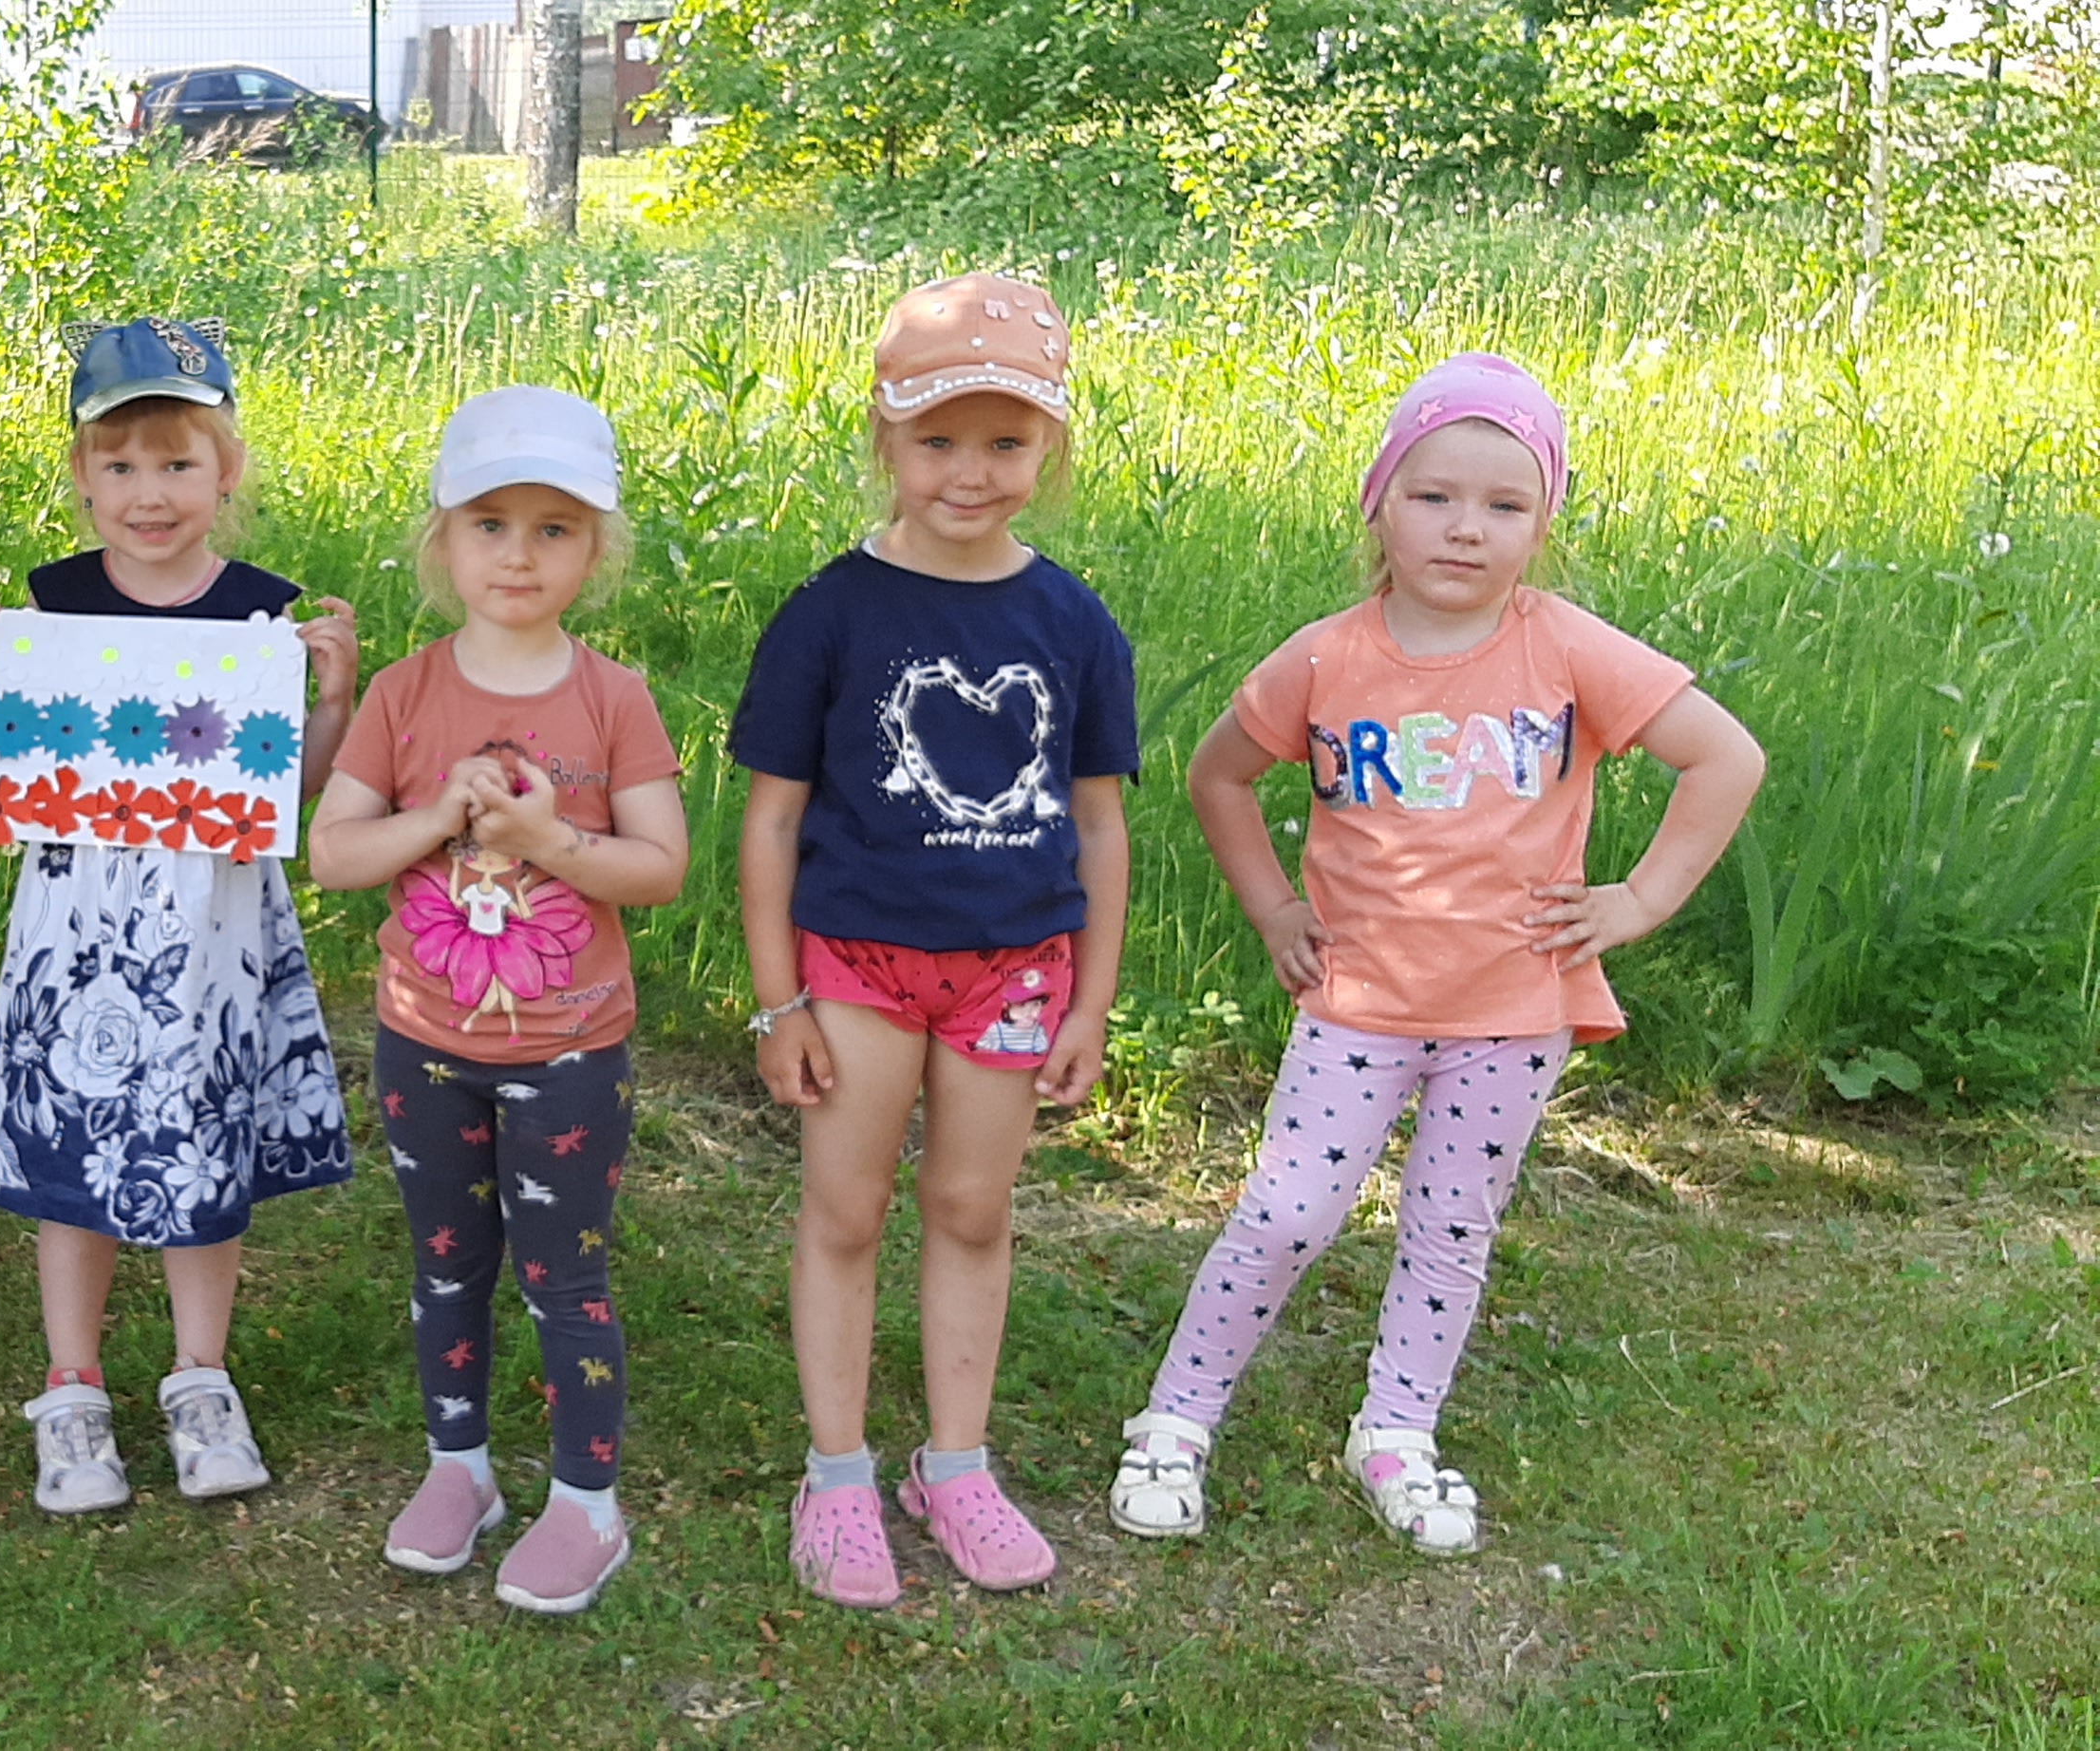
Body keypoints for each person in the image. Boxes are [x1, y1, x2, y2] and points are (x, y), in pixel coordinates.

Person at [1107, 352, 1763, 1555]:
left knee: (1450, 1226)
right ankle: (1177, 1418)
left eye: (1505, 505)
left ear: (1542, 525)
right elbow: (1218, 775)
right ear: (1380, 503)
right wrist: (1273, 909)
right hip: (1355, 1004)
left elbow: (1726, 756)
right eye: (1434, 496)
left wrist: (1640, 897)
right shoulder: (1325, 657)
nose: (1466, 528)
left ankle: (1397, 1431)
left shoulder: (1567, 648)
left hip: (1513, 1010)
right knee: (1287, 1213)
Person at [730, 273, 1136, 1605]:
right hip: (857, 965)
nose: (971, 471)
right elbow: (772, 820)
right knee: (846, 1210)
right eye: (937, 438)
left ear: (1049, 445)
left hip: (1016, 970)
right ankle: (838, 1472)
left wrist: (1089, 1002)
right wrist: (779, 1001)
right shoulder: (828, 612)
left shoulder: (1073, 623)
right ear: (884, 437)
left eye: (1005, 441)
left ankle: (954, 1466)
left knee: (971, 1207)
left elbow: (1099, 826)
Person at [0, 317, 360, 1515]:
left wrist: (332, 698)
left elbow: (290, 788)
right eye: (119, 464)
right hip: (74, 928)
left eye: (177, 462)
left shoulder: (259, 615)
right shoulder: (55, 605)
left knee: (196, 1136)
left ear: (227, 470)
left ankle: (199, 1376)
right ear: (82, 476)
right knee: (70, 1138)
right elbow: (20, 764)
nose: (149, 492)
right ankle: (72, 1386)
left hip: (211, 929)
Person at [307, 386, 688, 1614]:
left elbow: (661, 868)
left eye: (552, 528)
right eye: (489, 524)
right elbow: (333, 852)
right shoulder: (405, 693)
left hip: (570, 1052)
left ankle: (587, 1502)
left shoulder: (613, 698)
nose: (518, 555)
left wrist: (547, 841)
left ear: (594, 549)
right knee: (446, 1265)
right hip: (423, 1042)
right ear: (442, 538)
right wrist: (437, 816)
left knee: (565, 1279)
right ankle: (458, 1467)